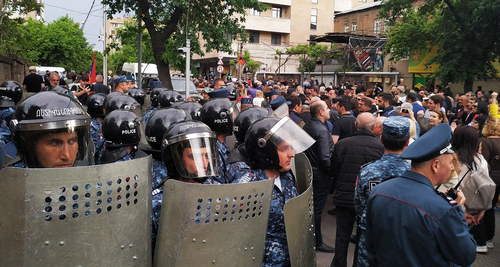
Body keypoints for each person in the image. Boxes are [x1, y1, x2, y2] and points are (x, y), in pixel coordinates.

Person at [364, 123, 477, 266]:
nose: (452, 168)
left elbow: (371, 246)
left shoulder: (379, 191)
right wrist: (459, 214)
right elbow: (466, 255)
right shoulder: (442, 208)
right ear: (435, 166)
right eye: (450, 163)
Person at [232, 116, 315, 267]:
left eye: (290, 147)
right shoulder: (249, 184)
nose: (292, 154)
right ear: (266, 152)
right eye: (284, 148)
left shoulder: (286, 175)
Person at [153, 120, 221, 247]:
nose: (204, 164)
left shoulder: (217, 191)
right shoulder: (160, 202)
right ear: (174, 158)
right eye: (194, 157)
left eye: (207, 156)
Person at [355, 117, 411, 267]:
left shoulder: (367, 171)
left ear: (381, 139)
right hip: (404, 240)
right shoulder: (413, 173)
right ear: (407, 142)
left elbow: (360, 205)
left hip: (371, 238)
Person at [330, 112, 384, 267]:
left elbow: (333, 168)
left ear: (356, 125)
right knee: (362, 235)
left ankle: (339, 264)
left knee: (342, 235)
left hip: (344, 195)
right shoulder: (379, 148)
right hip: (366, 197)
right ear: (374, 127)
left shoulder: (342, 144)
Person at [7, 91, 93, 168]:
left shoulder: (87, 181)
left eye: (72, 141)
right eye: (54, 143)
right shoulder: (12, 182)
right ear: (29, 146)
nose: (66, 155)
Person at [303, 101, 335, 253]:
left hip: (310, 170)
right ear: (321, 112)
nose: (330, 110)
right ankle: (317, 241)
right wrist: (330, 172)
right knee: (316, 209)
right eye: (327, 108)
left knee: (312, 207)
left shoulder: (309, 125)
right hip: (320, 174)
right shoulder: (322, 130)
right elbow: (324, 157)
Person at [200, 98, 238, 183]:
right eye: (232, 115)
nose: (235, 118)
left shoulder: (219, 144)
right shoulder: (213, 150)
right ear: (222, 118)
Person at [478, 117, 500, 251]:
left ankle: (483, 239)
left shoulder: (485, 141)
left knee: (484, 208)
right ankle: (489, 238)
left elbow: (483, 163)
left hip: (491, 178)